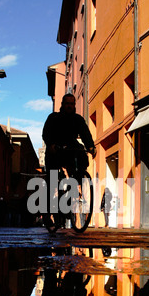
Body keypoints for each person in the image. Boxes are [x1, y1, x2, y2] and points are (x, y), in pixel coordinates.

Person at [42, 93, 96, 226]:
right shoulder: (53, 117)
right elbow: (46, 133)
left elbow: (85, 133)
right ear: (62, 104)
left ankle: (76, 180)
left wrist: (90, 146)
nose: (70, 106)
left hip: (70, 147)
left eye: (72, 104)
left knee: (81, 155)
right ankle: (47, 214)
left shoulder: (77, 119)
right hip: (55, 148)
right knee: (52, 180)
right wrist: (51, 145)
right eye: (67, 104)